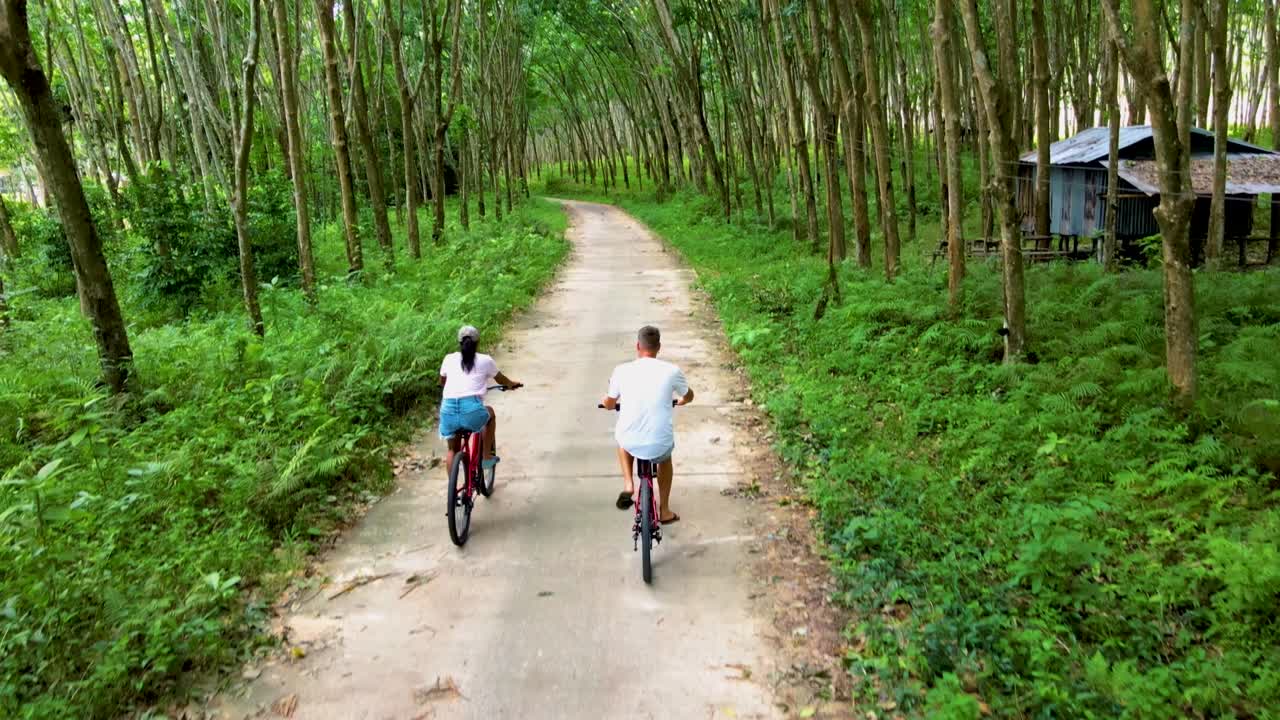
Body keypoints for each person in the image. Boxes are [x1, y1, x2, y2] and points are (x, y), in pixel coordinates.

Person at [601, 325, 694, 523]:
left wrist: (607, 403)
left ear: (638, 346)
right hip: (660, 442)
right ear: (658, 347)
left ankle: (628, 485)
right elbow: (689, 395)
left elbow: (609, 403)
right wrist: (683, 400)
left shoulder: (621, 370)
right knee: (665, 459)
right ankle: (665, 511)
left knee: (622, 442)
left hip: (631, 440)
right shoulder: (672, 370)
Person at [439, 325, 521, 471]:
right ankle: (486, 458)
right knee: (490, 414)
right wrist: (511, 384)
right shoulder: (485, 360)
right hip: (471, 411)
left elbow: (442, 382)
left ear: (459, 342)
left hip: (448, 411)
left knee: (452, 450)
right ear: (478, 342)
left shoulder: (448, 358)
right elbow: (501, 379)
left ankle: (452, 485)